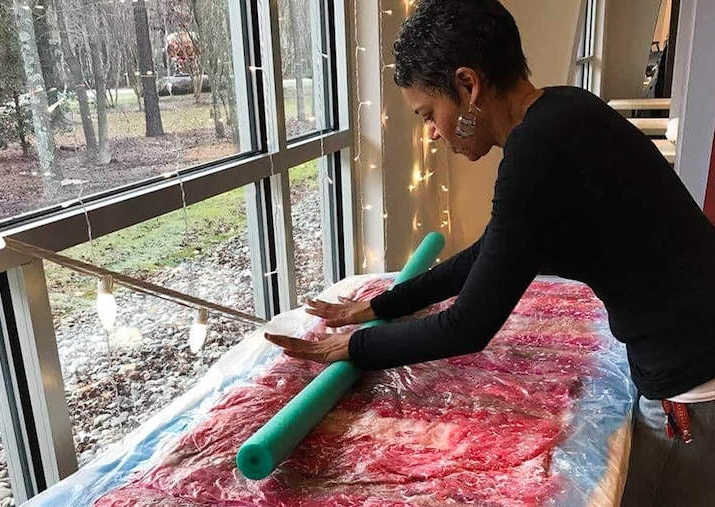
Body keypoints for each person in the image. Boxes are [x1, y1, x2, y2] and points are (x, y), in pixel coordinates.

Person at [264, 0, 715, 505]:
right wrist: (384, 304)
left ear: (468, 85)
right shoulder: (565, 109)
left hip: (696, 383)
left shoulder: (536, 154)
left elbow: (468, 327)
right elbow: (491, 251)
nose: (432, 132)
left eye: (429, 114)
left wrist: (350, 349)